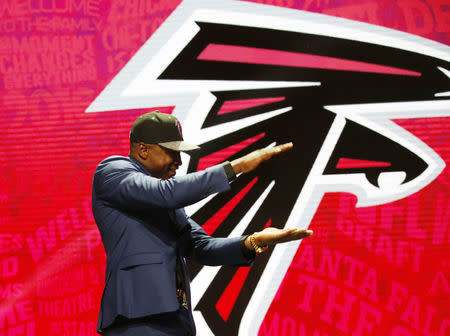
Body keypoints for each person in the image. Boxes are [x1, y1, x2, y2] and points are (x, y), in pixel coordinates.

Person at [92, 111, 313, 335]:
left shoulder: (167, 200)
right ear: (143, 149)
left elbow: (202, 247)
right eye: (172, 152)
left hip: (177, 319)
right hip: (137, 316)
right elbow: (166, 193)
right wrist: (237, 166)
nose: (178, 162)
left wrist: (253, 241)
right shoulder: (113, 171)